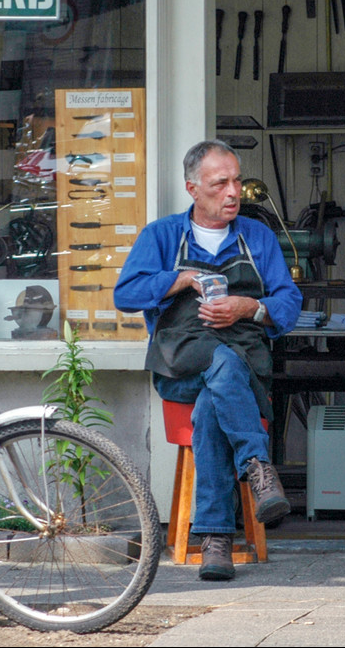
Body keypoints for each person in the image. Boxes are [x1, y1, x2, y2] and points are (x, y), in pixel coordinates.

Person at [115, 139, 303, 581]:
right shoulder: (161, 236)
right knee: (222, 368)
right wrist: (179, 279)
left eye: (237, 180)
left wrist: (248, 308)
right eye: (221, 183)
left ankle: (215, 538)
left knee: (216, 395)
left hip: (243, 371)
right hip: (179, 367)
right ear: (193, 189)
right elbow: (125, 294)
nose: (234, 191)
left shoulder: (258, 238)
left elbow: (289, 303)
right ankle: (257, 470)